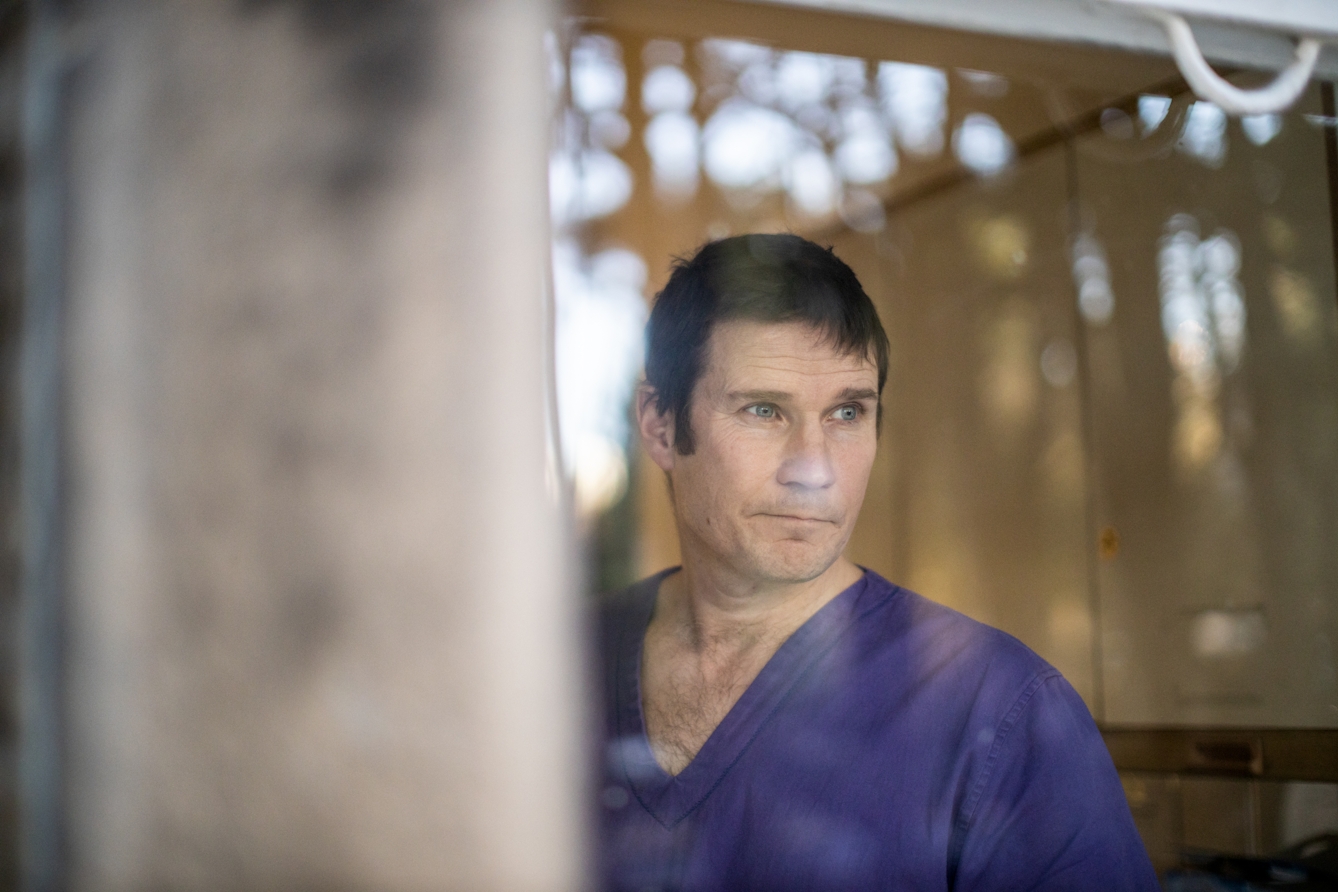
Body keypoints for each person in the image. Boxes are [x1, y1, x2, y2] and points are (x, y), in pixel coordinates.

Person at [597, 233, 1159, 891]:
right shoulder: (548, 670)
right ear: (661, 424)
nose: (814, 470)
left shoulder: (1001, 714)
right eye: (763, 409)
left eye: (846, 412)